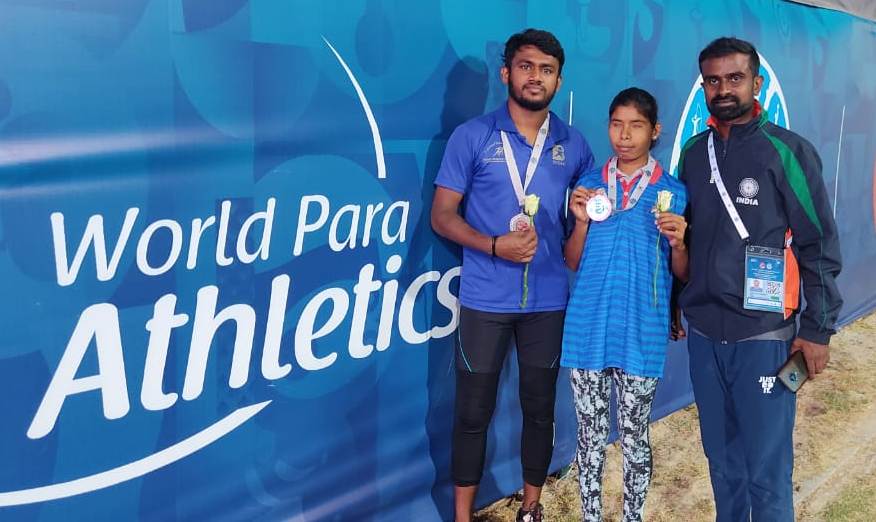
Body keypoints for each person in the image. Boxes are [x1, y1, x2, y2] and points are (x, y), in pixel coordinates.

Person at [431, 28, 594, 522]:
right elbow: (442, 216)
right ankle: (463, 517)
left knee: (539, 409)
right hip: (485, 299)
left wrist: (583, 221)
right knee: (472, 413)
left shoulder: (574, 145)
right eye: (526, 66)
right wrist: (494, 245)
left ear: (559, 80)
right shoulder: (472, 136)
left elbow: (582, 228)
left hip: (548, 301)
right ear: (506, 73)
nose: (535, 77)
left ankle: (530, 508)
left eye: (546, 70)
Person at [678, 37, 842, 521]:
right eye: (712, 81)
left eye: (735, 78)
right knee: (722, 464)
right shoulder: (694, 153)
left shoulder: (788, 152)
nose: (723, 89)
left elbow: (818, 245)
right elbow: (683, 235)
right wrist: (675, 304)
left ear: (757, 82)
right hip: (706, 336)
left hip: (765, 338)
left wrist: (817, 330)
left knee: (767, 471)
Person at [561, 87, 688, 522]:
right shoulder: (589, 185)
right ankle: (591, 516)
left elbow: (682, 271)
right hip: (587, 327)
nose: (625, 135)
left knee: (634, 437)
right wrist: (580, 223)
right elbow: (572, 261)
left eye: (636, 126)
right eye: (617, 124)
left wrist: (679, 242)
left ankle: (633, 516)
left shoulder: (673, 192)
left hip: (641, 329)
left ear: (655, 131)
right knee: (589, 437)